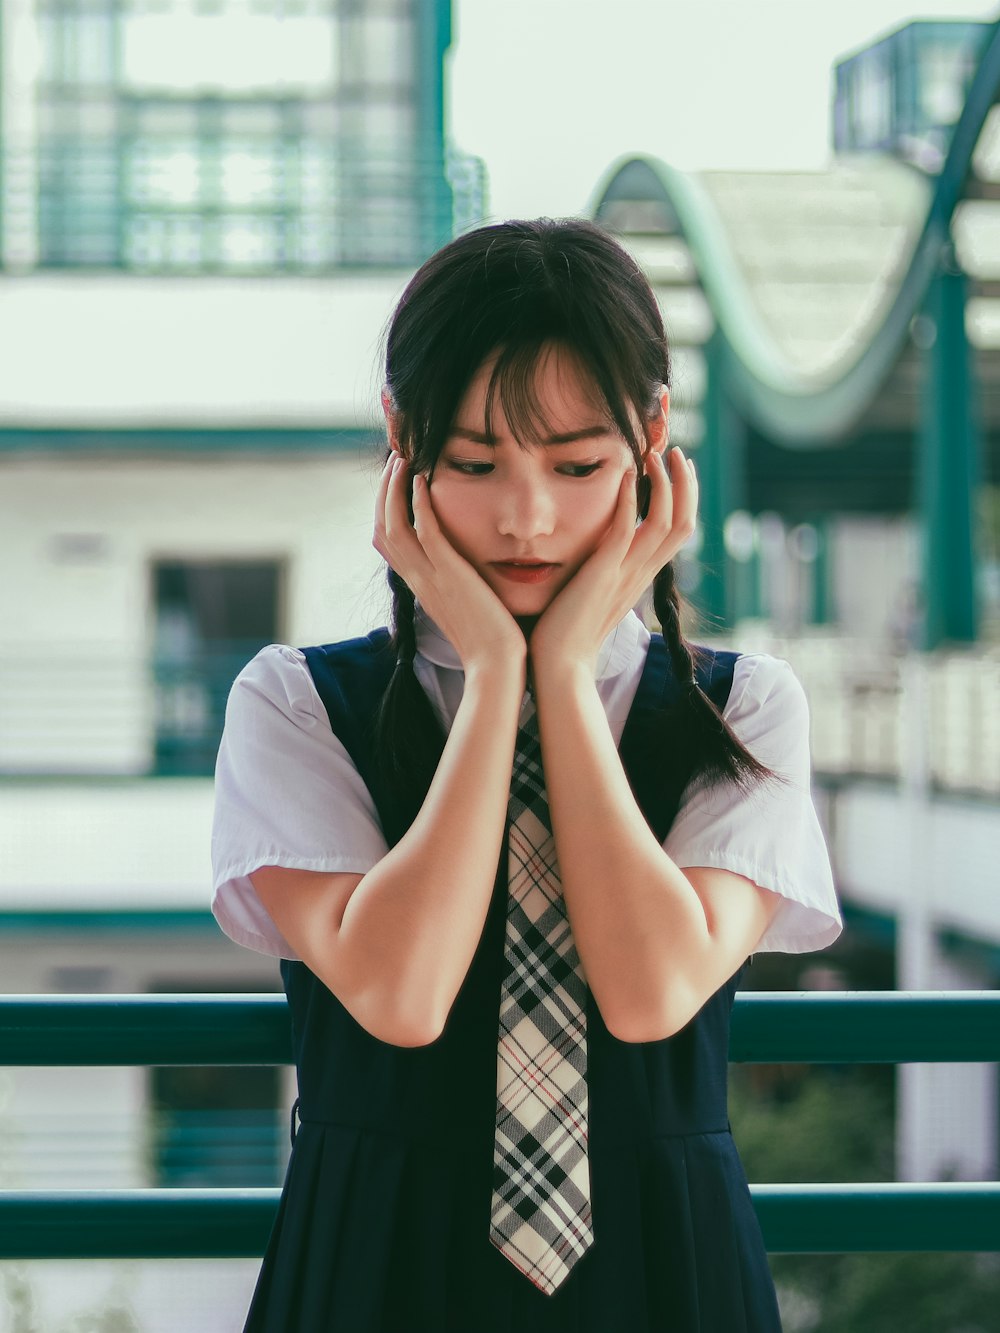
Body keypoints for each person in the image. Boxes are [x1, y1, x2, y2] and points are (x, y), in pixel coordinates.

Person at [211, 217, 843, 1333]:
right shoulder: (295, 704)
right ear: (400, 443)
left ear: (653, 443)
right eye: (472, 463)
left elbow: (650, 992)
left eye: (577, 464)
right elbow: (399, 996)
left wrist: (561, 664)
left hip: (667, 1260)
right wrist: (500, 673)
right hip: (376, 1254)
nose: (527, 518)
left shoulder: (744, 708)